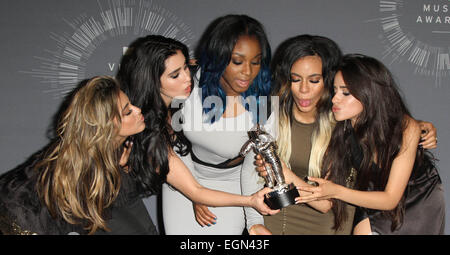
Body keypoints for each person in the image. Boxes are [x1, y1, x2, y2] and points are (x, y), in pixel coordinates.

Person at [254, 35, 438, 234]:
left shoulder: (343, 124)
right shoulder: (279, 119)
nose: (304, 89)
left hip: (414, 198)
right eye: (295, 79)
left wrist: (416, 127)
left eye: (314, 80)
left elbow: (331, 200)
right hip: (362, 200)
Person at [116, 34, 278, 235]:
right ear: (152, 81)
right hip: (113, 207)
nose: (187, 77)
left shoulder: (189, 92)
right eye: (175, 75)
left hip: (211, 182)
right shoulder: (142, 125)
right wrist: (248, 201)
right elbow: (194, 189)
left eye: (186, 67)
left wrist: (252, 218)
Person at [296, 54, 445, 235]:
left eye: (345, 92)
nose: (334, 99)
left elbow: (390, 199)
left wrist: (336, 191)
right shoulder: (340, 130)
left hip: (418, 199)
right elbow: (324, 199)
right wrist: (284, 174)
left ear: (368, 93)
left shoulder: (406, 128)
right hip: (371, 195)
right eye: (335, 91)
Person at [158, 14, 275, 235]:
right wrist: (194, 192)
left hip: (233, 186)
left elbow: (253, 166)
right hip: (182, 175)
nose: (248, 72)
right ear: (218, 57)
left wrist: (254, 221)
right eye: (237, 61)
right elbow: (174, 139)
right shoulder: (189, 82)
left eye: (256, 61)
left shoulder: (263, 104)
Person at [0, 76, 152, 235]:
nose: (138, 110)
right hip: (21, 217)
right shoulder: (86, 166)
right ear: (107, 127)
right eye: (127, 112)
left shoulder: (111, 151)